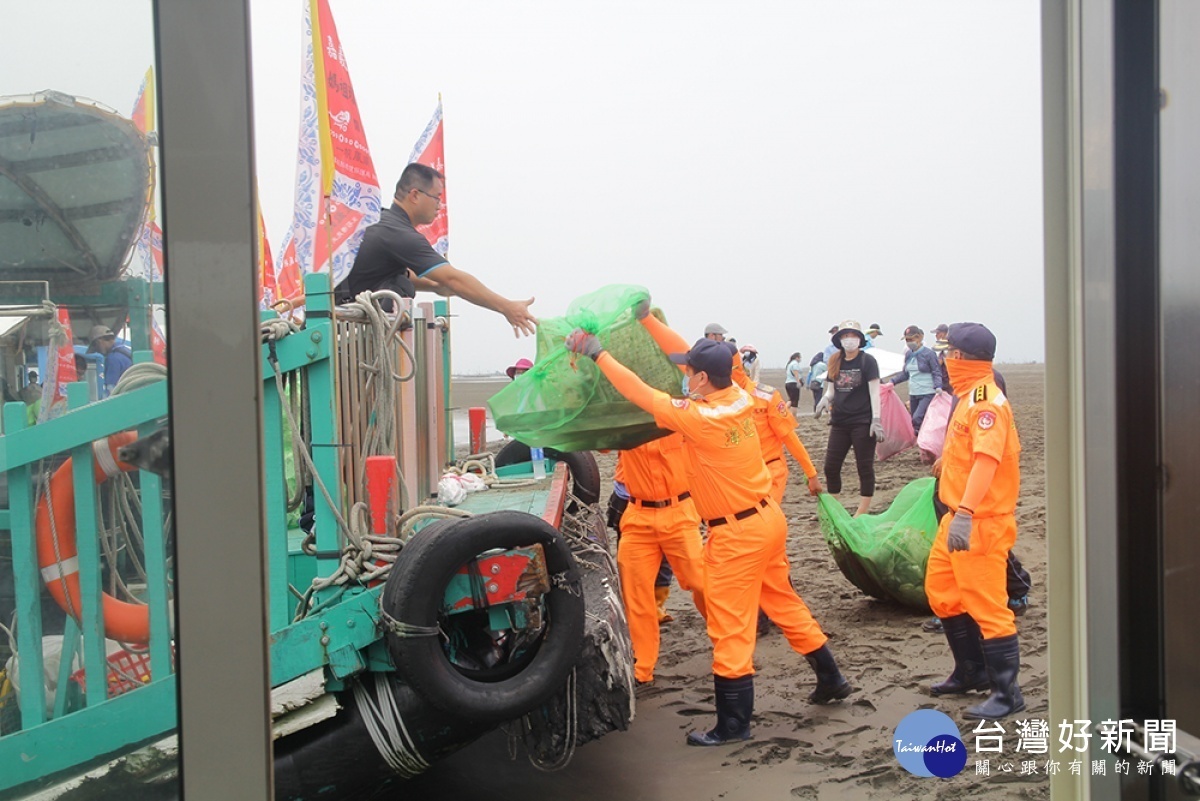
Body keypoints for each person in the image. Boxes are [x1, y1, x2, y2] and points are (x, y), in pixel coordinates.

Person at [565, 305, 852, 747]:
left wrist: (597, 352)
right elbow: (688, 354)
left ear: (700, 379)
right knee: (782, 601)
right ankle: (830, 677)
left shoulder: (699, 417)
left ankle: (733, 724)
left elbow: (641, 393)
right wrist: (647, 320)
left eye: (689, 371)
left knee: (728, 624)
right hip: (767, 520)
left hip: (737, 533)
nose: (684, 373)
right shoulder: (737, 394)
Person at [925, 323, 1025, 720]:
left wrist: (965, 513)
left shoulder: (987, 403)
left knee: (989, 607)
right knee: (942, 593)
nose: (946, 360)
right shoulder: (967, 396)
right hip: (956, 517)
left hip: (980, 521)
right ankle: (971, 671)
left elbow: (987, 460)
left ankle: (1007, 693)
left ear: (963, 358)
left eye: (950, 353)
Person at [334, 163, 536, 337]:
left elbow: (385, 273)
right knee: (401, 287)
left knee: (402, 281)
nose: (439, 206)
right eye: (437, 198)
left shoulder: (382, 221)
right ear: (415, 195)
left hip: (339, 326)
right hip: (344, 335)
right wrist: (507, 307)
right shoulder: (398, 233)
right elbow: (453, 279)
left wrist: (436, 286)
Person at [612, 433, 707, 685]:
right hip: (637, 515)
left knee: (700, 582)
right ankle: (642, 666)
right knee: (634, 592)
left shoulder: (678, 414)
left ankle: (727, 640)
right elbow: (598, 439)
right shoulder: (625, 422)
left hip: (681, 513)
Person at [815, 321, 882, 517]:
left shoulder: (867, 361)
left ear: (860, 339)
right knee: (831, 466)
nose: (849, 340)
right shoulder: (835, 360)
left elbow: (875, 393)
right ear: (839, 340)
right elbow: (831, 391)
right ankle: (836, 508)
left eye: (853, 335)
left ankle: (861, 512)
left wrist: (876, 420)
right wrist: (824, 401)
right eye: (845, 336)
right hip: (840, 422)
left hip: (862, 421)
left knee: (864, 466)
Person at [889, 325, 943, 433]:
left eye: (911, 339)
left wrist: (938, 386)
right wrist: (892, 382)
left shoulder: (929, 354)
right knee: (914, 421)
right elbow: (905, 374)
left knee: (917, 418)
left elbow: (936, 371)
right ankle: (921, 443)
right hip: (914, 393)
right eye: (907, 340)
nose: (909, 342)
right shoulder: (909, 354)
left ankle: (925, 440)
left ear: (919, 338)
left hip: (927, 392)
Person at [87, 325, 133, 395]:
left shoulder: (112, 358)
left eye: (95, 347)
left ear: (99, 341)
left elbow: (111, 389)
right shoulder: (126, 351)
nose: (97, 351)